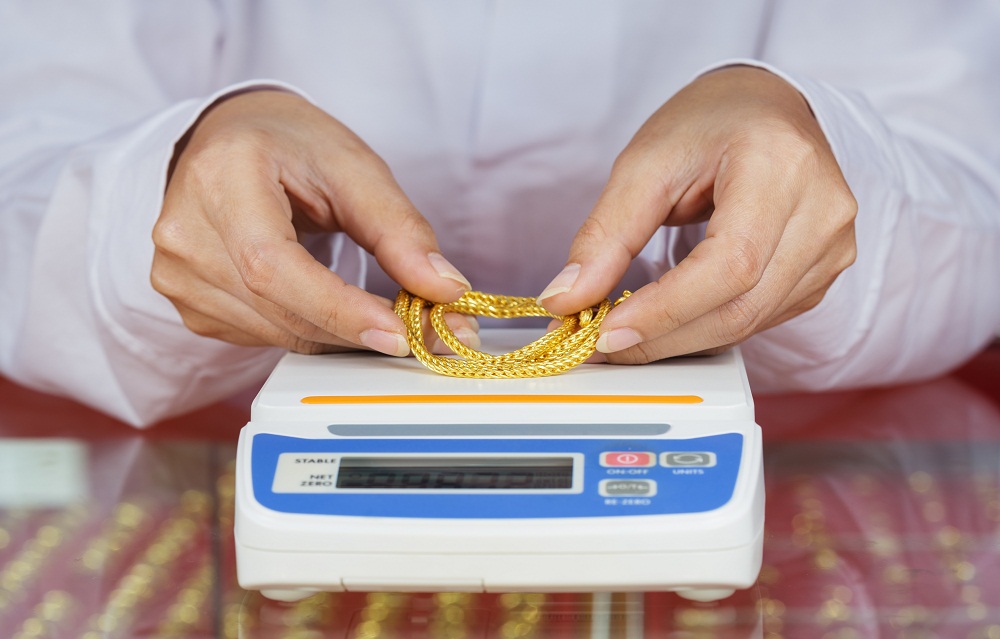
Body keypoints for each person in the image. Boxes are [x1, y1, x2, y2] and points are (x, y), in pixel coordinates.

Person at [1, 1, 998, 427]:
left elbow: (963, 179)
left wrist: (814, 145)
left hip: (795, 473)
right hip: (219, 465)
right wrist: (175, 174)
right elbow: (28, 162)